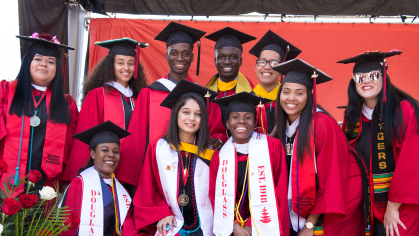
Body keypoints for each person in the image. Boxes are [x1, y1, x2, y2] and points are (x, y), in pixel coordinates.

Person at [117, 22, 226, 188]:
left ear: (192, 57)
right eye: (174, 53)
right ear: (166, 56)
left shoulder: (204, 96)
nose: (180, 58)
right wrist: (134, 179)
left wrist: (217, 140)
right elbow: (137, 137)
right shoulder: (150, 93)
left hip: (193, 174)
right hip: (155, 171)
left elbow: (217, 131)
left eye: (185, 54)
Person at [338, 50, 419, 236]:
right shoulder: (353, 118)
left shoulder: (405, 110)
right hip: (367, 203)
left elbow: (412, 161)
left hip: (402, 205)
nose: (366, 81)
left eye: (373, 75)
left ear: (384, 77)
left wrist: (393, 206)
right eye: (360, 77)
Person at [273, 59, 354, 236]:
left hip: (317, 220)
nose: (291, 98)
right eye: (286, 92)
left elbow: (332, 177)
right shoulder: (281, 128)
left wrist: (310, 225)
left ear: (309, 96)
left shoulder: (323, 125)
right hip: (286, 219)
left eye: (299, 93)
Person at [131, 80, 218, 236]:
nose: (191, 118)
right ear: (176, 113)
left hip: (206, 228)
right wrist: (162, 213)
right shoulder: (158, 149)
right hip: (173, 225)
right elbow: (148, 189)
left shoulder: (211, 153)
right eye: (186, 112)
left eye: (198, 114)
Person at [0, 33, 78, 197]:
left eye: (50, 62)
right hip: (6, 180)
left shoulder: (66, 104)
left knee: (39, 222)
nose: (44, 65)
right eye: (38, 59)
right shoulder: (5, 92)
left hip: (46, 185)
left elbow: (71, 148)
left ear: (57, 68)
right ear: (27, 62)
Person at [62, 38, 148, 186]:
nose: (126, 67)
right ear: (111, 65)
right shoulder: (98, 95)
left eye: (131, 63)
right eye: (120, 62)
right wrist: (78, 173)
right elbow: (85, 137)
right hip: (104, 170)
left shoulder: (138, 98)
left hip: (133, 171)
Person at [209, 92, 289, 236]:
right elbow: (217, 198)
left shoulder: (272, 147)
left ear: (255, 122)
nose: (241, 121)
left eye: (248, 117)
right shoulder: (219, 157)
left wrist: (251, 224)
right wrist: (235, 225)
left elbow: (280, 190)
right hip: (235, 229)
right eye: (235, 117)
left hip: (269, 224)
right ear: (227, 123)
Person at [60, 121, 132, 236]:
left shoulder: (122, 191)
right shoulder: (80, 184)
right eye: (104, 150)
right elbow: (68, 225)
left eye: (116, 151)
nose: (111, 155)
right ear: (93, 153)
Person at [248, 30, 302, 136]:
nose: (267, 67)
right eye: (262, 62)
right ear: (256, 67)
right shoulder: (248, 101)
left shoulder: (292, 101)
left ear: (282, 67)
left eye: (274, 63)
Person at [204, 27, 256, 132]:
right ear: (215, 61)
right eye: (221, 57)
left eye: (233, 57)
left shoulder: (251, 93)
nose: (227, 62)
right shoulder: (206, 93)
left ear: (240, 61)